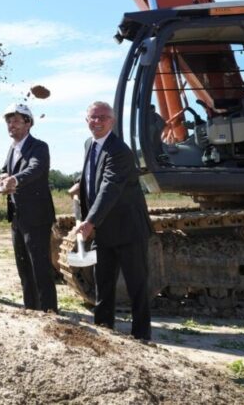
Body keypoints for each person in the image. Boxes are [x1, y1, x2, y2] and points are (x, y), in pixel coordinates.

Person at [75, 101, 153, 341]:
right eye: (92, 117)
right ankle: (104, 333)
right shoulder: (90, 144)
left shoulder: (119, 150)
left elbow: (111, 186)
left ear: (112, 121)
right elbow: (95, 174)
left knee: (136, 286)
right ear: (86, 120)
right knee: (103, 285)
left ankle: (141, 336)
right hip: (105, 232)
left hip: (128, 230)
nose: (96, 121)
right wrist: (80, 184)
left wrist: (89, 221)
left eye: (102, 117)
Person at [0, 103, 57, 312]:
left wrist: (15, 179)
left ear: (28, 123)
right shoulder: (13, 148)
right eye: (9, 121)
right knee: (24, 268)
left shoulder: (39, 147)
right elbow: (6, 170)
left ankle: (49, 313)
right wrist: (3, 176)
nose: (11, 125)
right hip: (17, 217)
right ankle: (31, 310)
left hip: (37, 217)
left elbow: (36, 168)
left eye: (16, 121)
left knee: (40, 267)